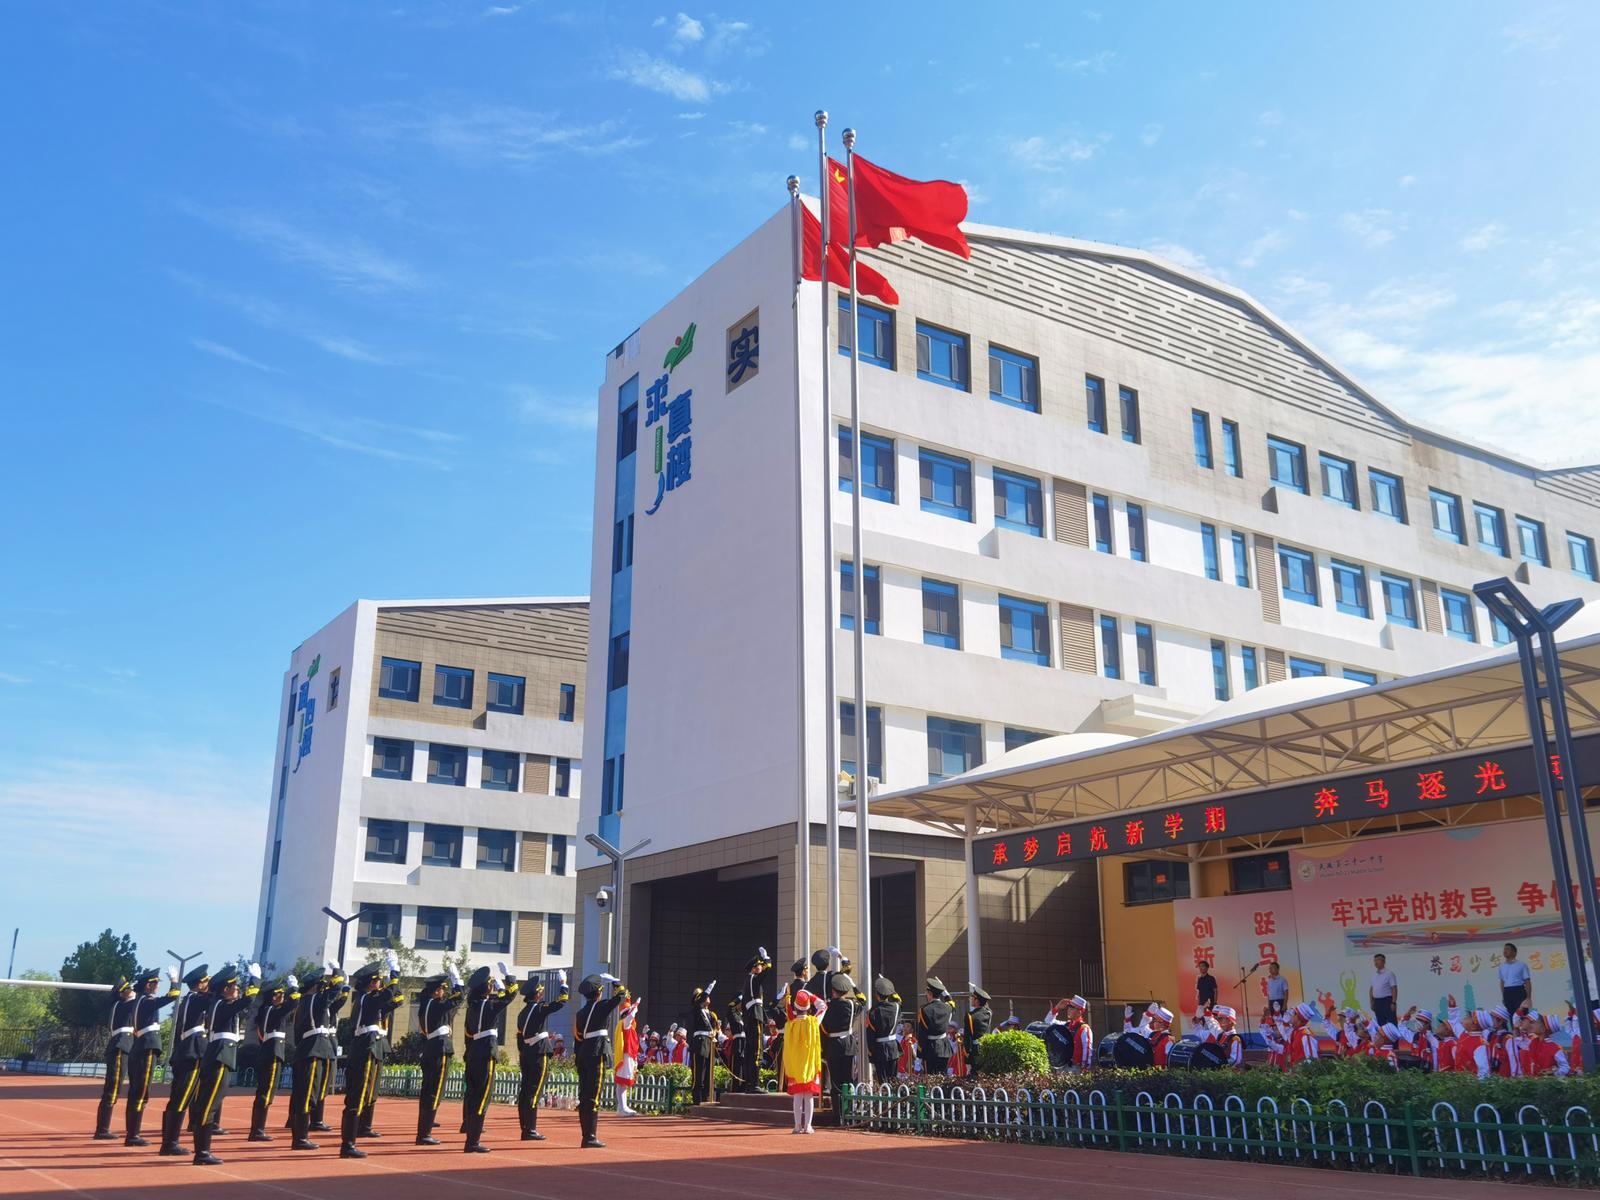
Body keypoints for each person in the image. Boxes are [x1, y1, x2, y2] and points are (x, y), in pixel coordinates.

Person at [188, 963, 262, 1165]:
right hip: (220, 1055)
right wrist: (255, 981)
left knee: (210, 1104)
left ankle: (203, 1152)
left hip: (220, 1053)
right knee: (209, 1105)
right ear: (226, 988)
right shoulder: (221, 1004)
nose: (237, 988)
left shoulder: (219, 1003)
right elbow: (248, 1000)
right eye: (234, 986)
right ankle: (202, 1153)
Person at [340, 958, 404, 1158]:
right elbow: (386, 996)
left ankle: (351, 1141)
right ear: (369, 983)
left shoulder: (370, 1000)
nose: (380, 982)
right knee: (357, 1096)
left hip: (369, 1046)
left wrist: (395, 982)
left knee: (364, 1094)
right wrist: (394, 976)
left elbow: (396, 999)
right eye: (377, 980)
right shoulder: (365, 999)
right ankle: (348, 1145)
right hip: (365, 1048)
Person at [462, 963, 520, 1153]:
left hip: (473, 1052)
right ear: (486, 987)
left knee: (473, 1095)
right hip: (486, 1052)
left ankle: (471, 1139)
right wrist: (509, 975)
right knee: (483, 1096)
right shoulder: (489, 1005)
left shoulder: (472, 1006)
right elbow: (512, 994)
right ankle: (473, 1142)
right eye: (490, 984)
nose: (492, 986)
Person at [159, 964, 214, 1157]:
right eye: (207, 981)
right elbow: (215, 998)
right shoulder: (196, 999)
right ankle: (169, 1143)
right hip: (192, 1052)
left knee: (178, 1098)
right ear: (200, 984)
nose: (209, 985)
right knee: (181, 1099)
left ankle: (168, 1141)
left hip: (185, 1052)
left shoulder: (189, 999)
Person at [123, 967, 179, 1147]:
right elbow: (173, 995)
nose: (157, 986)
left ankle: (132, 1134)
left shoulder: (139, 1001)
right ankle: (133, 1135)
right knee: (141, 1091)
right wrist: (174, 980)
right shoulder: (146, 1001)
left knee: (137, 1091)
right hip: (146, 1046)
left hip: (141, 1045)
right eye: (155, 983)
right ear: (148, 985)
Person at [574, 973, 628, 1149]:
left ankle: (586, 1136)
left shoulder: (580, 1013)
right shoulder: (601, 1006)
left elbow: (578, 1038)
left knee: (584, 1096)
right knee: (594, 1096)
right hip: (597, 1052)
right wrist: (615, 982)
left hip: (583, 1053)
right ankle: (590, 1137)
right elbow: (621, 995)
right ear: (599, 992)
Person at [288, 967, 338, 1150]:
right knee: (308, 1095)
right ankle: (300, 1139)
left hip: (308, 1048)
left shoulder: (304, 1002)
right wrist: (337, 973)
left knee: (306, 1095)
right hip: (314, 1050)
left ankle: (300, 1137)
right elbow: (335, 991)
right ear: (317, 986)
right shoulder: (315, 999)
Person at [516, 969, 569, 1139]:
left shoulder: (522, 1013)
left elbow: (519, 1037)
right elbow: (561, 1001)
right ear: (537, 994)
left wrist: (524, 1052)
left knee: (525, 1090)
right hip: (539, 1051)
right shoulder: (539, 1008)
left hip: (526, 1053)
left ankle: (525, 1127)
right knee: (535, 1090)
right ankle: (530, 1130)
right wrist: (563, 984)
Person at [247, 976, 299, 1142]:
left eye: (283, 993)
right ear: (271, 996)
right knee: (266, 1092)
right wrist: (294, 989)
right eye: (279, 993)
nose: (282, 995)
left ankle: (257, 1130)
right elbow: (292, 1004)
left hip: (270, 1052)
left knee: (266, 1092)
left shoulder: (268, 1009)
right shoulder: (269, 1010)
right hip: (271, 1053)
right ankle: (257, 1131)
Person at [416, 968, 464, 1145]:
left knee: (427, 1090)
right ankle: (424, 1134)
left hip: (430, 1047)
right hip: (440, 1048)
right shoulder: (436, 1005)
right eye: (442, 989)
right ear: (436, 991)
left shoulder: (425, 1005)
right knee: (435, 1091)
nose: (443, 992)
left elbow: (451, 1008)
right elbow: (458, 998)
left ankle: (423, 1131)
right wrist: (458, 981)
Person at [93, 975, 138, 1140]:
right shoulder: (123, 1005)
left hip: (121, 1045)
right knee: (113, 1088)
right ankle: (102, 1130)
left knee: (113, 1088)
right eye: (129, 989)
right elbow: (142, 1003)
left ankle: (102, 1129)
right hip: (120, 1046)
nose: (132, 991)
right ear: (122, 993)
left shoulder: (120, 1004)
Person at [783, 989, 825, 1134]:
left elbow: (789, 1012)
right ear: (808, 1007)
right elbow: (823, 1006)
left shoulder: (790, 1024)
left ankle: (797, 1125)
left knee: (797, 1096)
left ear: (795, 1007)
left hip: (795, 1066)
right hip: (810, 1066)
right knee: (808, 1096)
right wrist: (809, 994)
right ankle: (808, 1126)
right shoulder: (814, 1022)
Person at [820, 973, 858, 1125]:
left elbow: (822, 1027)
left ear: (833, 990)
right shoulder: (852, 1004)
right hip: (848, 1045)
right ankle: (848, 1114)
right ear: (846, 991)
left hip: (833, 1045)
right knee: (848, 1080)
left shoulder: (826, 1006)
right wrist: (853, 985)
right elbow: (863, 999)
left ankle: (838, 1116)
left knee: (835, 1082)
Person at [741, 949, 770, 1093]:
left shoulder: (748, 980)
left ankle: (750, 1084)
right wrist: (767, 960)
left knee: (750, 1051)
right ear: (753, 968)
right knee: (757, 1051)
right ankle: (754, 1084)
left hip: (751, 1017)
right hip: (755, 1016)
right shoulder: (753, 978)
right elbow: (766, 972)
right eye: (759, 965)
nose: (761, 967)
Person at [865, 976, 901, 1084]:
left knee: (882, 1081)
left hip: (879, 1049)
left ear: (877, 995)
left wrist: (871, 1053)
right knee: (893, 1080)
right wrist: (889, 988)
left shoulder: (872, 1012)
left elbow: (870, 1035)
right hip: (893, 1047)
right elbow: (898, 1000)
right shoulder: (896, 1007)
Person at [916, 977, 955, 1076]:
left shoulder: (924, 1010)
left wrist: (919, 1054)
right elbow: (951, 1002)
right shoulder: (948, 1007)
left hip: (930, 1048)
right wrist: (943, 989)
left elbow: (922, 1034)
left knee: (931, 1077)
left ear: (930, 994)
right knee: (943, 1076)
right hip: (944, 1047)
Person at [614, 989, 643, 1117]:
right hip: (625, 1055)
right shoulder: (625, 1023)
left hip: (629, 1055)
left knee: (624, 1082)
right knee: (622, 1082)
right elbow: (630, 1016)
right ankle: (622, 1108)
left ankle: (622, 1106)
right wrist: (635, 1005)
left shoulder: (628, 1025)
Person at [688, 984, 718, 1104]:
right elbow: (697, 1002)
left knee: (708, 1071)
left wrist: (714, 1033)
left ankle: (707, 1097)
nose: (708, 998)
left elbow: (715, 1028)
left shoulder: (711, 1014)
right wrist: (708, 990)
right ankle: (697, 1099)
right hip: (700, 1042)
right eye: (705, 996)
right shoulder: (696, 1010)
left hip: (709, 1042)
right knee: (699, 1071)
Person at [963, 984, 993, 1077]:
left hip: (974, 1050)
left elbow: (967, 1037)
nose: (970, 999)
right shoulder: (989, 1013)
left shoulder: (970, 1016)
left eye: (972, 997)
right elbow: (986, 1006)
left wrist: (967, 1056)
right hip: (986, 1047)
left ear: (977, 1000)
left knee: (973, 1075)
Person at [1499, 943, 1532, 1014]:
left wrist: (1528, 997)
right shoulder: (1501, 966)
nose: (1505, 951)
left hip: (1518, 991)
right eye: (1504, 949)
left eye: (1507, 949)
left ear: (1514, 952)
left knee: (1521, 1013)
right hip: (1507, 992)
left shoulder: (1521, 965)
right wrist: (1504, 995)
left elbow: (1527, 981)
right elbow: (1502, 982)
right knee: (1510, 1013)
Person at [723, 995, 747, 1091]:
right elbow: (729, 1009)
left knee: (745, 1069)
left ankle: (744, 1089)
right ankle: (735, 1090)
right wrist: (739, 998)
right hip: (738, 1043)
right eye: (740, 1003)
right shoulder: (733, 1015)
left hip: (745, 1043)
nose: (742, 1005)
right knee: (736, 1069)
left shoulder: (743, 1016)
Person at [1368, 954, 1399, 1027]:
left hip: (1387, 1001)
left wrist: (1393, 1002)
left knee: (1391, 1022)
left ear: (1383, 961)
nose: (1376, 962)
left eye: (1378, 960)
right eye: (1375, 960)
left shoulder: (1389, 974)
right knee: (1381, 1023)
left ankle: (1394, 1034)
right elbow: (1372, 989)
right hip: (1377, 1002)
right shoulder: (1374, 975)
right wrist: (1371, 1002)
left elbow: (1394, 988)